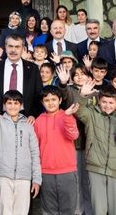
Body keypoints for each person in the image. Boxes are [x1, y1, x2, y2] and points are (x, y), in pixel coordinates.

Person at [0, 92, 41, 215]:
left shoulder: (29, 125)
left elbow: (35, 153)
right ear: (4, 105)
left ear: (21, 105)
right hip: (4, 176)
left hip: (24, 177)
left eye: (16, 103)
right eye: (9, 103)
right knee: (5, 211)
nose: (13, 106)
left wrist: (37, 179)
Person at [75, 81, 116, 215]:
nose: (107, 105)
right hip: (95, 167)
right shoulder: (92, 114)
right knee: (99, 209)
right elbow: (79, 110)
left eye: (111, 103)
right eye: (104, 102)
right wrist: (82, 95)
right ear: (99, 101)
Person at [33, 85, 80, 215]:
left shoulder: (67, 116)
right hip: (46, 173)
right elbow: (35, 148)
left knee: (68, 209)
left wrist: (68, 117)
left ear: (60, 100)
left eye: (53, 99)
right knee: (49, 210)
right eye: (47, 100)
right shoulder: (38, 121)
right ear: (42, 102)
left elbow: (74, 135)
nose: (50, 103)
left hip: (67, 171)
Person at [0, 35, 43, 117]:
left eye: (17, 47)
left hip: (26, 117)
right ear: (5, 47)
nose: (13, 50)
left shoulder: (33, 68)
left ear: (23, 49)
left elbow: (38, 95)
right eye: (10, 46)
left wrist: (33, 115)